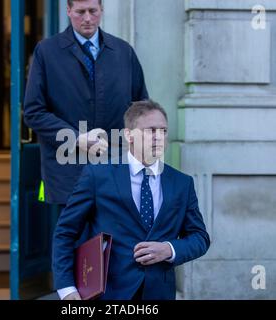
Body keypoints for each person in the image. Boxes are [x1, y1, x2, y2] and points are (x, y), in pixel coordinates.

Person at [53, 100, 210, 300]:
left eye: (163, 131)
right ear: (129, 135)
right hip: (108, 293)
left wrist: (169, 249)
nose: (158, 137)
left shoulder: (182, 183)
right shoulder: (97, 175)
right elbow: (65, 232)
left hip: (158, 294)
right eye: (150, 130)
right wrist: (67, 288)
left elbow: (200, 237)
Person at [24, 0, 148, 207]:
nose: (88, 18)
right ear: (69, 11)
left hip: (117, 167)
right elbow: (33, 111)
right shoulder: (47, 52)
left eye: (93, 11)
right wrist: (76, 138)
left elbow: (141, 108)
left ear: (102, 10)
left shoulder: (123, 51)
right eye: (80, 12)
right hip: (67, 171)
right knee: (73, 238)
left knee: (114, 237)